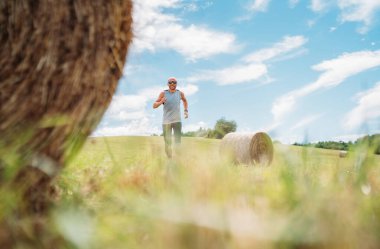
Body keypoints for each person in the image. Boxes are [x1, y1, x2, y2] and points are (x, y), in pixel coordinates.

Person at [153, 77, 188, 158]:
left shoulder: (180, 93)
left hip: (177, 121)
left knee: (177, 142)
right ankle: (170, 159)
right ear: (167, 84)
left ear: (176, 83)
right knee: (168, 143)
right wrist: (161, 102)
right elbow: (154, 105)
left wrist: (186, 111)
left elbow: (185, 100)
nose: (172, 84)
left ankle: (178, 159)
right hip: (166, 122)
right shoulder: (163, 93)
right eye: (170, 82)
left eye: (174, 82)